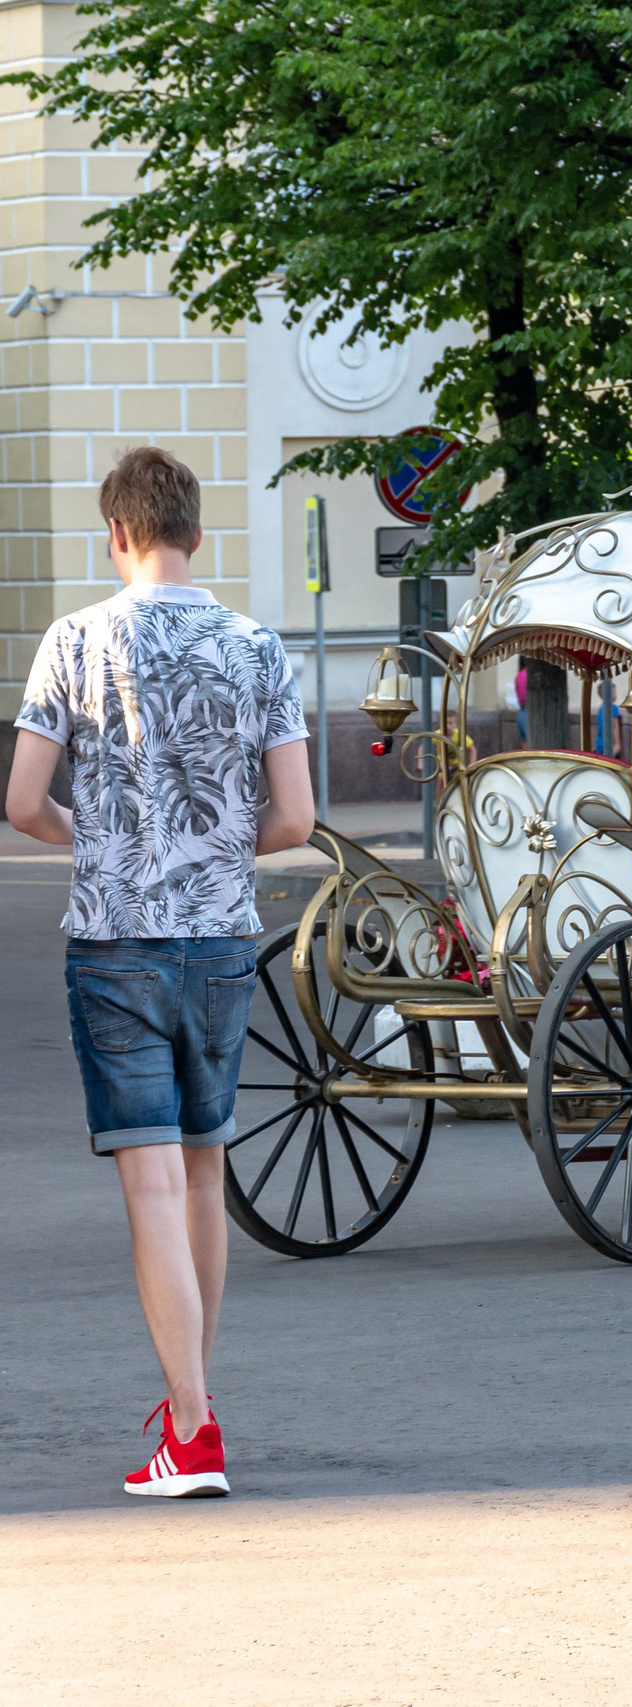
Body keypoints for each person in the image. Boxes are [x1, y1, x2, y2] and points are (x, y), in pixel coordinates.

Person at [6, 446, 314, 1498]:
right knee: (202, 1173)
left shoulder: (74, 640)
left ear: (117, 534)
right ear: (193, 532)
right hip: (224, 940)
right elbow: (300, 818)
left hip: (118, 941)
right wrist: (220, 851)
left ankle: (192, 1427)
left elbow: (21, 802)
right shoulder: (258, 645)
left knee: (149, 1186)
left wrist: (90, 836)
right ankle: (195, 1406)